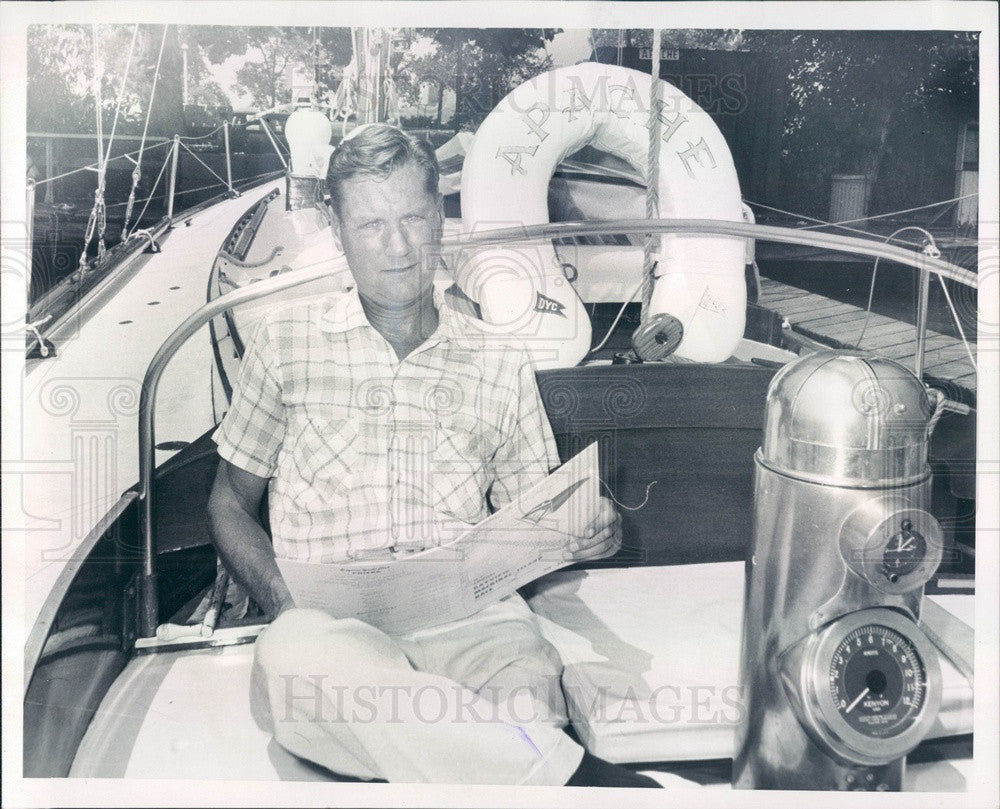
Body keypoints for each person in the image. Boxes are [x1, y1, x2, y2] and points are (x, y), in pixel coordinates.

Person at [207, 124, 659, 787]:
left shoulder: (499, 360)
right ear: (337, 230)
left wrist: (591, 531)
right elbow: (226, 503)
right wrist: (280, 596)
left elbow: (537, 522)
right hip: (332, 636)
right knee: (293, 656)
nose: (397, 247)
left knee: (527, 696)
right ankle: (575, 785)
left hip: (477, 628)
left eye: (414, 218)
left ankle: (513, 765)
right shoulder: (281, 343)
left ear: (439, 222)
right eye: (371, 226)